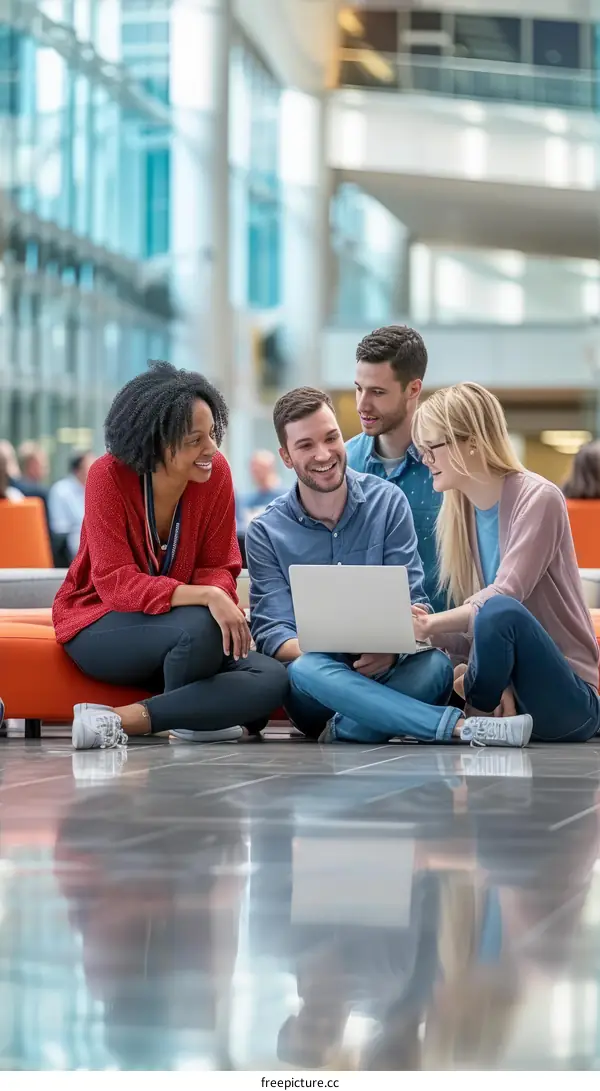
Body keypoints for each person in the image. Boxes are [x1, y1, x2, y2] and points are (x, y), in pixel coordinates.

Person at [246, 386, 527, 746]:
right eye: (305, 446)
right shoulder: (266, 531)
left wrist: (392, 647)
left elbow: (415, 598)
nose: (324, 454)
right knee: (304, 669)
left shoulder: (387, 502)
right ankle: (459, 727)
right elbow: (273, 633)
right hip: (319, 683)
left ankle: (348, 730)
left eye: (332, 438)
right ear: (286, 456)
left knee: (436, 668)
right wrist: (341, 653)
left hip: (388, 669)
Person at [52, 361, 287, 751]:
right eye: (196, 439)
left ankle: (124, 720)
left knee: (272, 676)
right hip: (99, 622)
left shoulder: (216, 474)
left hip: (190, 637)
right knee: (199, 626)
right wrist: (208, 597)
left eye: (212, 434)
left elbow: (220, 564)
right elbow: (115, 583)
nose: (211, 448)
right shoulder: (106, 477)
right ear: (157, 442)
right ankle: (198, 718)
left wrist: (214, 592)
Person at [411, 381, 600, 745]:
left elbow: (505, 597)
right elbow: (470, 632)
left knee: (498, 610)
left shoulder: (539, 498)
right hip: (513, 699)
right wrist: (417, 625)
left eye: (432, 447)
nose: (425, 459)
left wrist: (431, 625)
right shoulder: (459, 514)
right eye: (422, 449)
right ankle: (484, 702)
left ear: (472, 443)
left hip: (570, 701)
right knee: (456, 637)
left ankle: (477, 707)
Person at [346, 326, 444, 611]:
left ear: (413, 389)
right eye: (358, 389)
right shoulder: (341, 464)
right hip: (358, 634)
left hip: (437, 637)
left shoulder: (450, 465)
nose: (363, 404)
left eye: (377, 392)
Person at [48, 450, 95, 561]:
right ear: (77, 470)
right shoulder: (61, 490)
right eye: (90, 466)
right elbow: (60, 529)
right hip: (72, 544)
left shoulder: (95, 490)